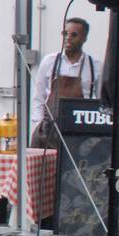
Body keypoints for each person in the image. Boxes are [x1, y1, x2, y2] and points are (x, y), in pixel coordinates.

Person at [31, 17, 100, 148]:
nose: (68, 38)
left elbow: (101, 104)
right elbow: (39, 97)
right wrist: (37, 125)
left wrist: (92, 137)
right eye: (65, 33)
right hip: (47, 131)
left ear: (84, 38)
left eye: (74, 35)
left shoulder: (94, 66)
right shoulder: (49, 61)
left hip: (79, 134)